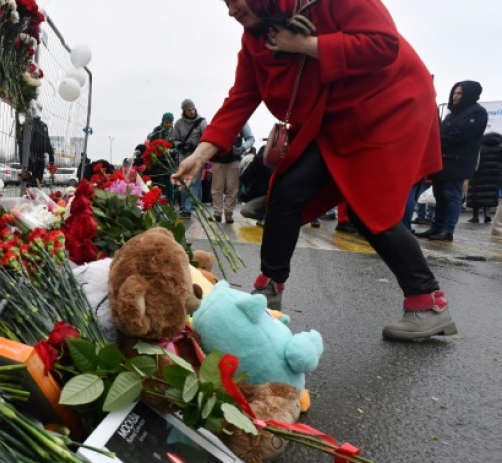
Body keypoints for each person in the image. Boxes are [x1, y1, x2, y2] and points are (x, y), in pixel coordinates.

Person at [172, 0, 455, 341]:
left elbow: (384, 44)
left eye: (234, 0)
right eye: (225, 3)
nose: (230, 11)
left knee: (368, 209)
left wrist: (305, 45)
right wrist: (201, 155)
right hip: (334, 116)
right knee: (287, 189)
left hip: (388, 105)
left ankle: (429, 303)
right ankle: (267, 295)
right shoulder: (254, 40)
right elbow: (241, 98)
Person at [415, 81, 488, 241]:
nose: (455, 96)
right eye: (454, 92)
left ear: (469, 94)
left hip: (457, 162)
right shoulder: (451, 114)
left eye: (460, 93)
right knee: (439, 195)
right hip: (442, 161)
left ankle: (447, 230)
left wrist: (434, 142)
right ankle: (436, 227)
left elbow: (459, 135)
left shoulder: (477, 112)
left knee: (451, 195)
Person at [209, 122, 255, 223]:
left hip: (234, 159)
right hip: (218, 159)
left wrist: (242, 148)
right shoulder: (220, 121)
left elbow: (251, 139)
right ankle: (217, 213)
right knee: (216, 188)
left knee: (232, 189)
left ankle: (228, 213)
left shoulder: (243, 122)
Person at [171, 99, 207, 217]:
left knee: (194, 182)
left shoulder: (202, 122)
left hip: (197, 156)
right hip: (184, 157)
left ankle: (188, 208)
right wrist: (180, 145)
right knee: (184, 181)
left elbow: (206, 139)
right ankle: (184, 205)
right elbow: (174, 139)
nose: (191, 111)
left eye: (192, 109)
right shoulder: (178, 123)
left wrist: (195, 145)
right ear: (184, 111)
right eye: (188, 110)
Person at [22, 100, 55, 188]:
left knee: (38, 182)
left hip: (41, 158)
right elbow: (22, 144)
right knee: (30, 183)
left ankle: (35, 199)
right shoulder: (27, 124)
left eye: (39, 109)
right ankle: (28, 199)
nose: (37, 111)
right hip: (31, 159)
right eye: (36, 109)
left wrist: (51, 155)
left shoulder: (44, 126)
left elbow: (47, 141)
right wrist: (22, 161)